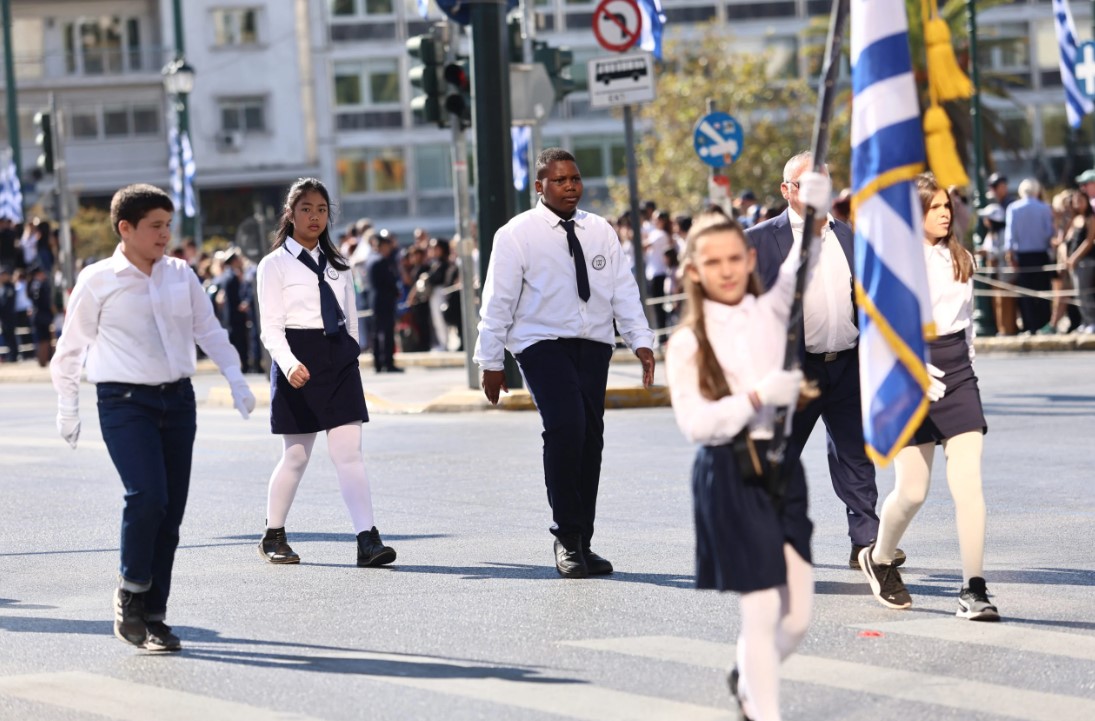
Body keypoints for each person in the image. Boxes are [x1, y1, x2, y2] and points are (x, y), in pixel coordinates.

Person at [49, 183, 256, 652]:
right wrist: (68, 408)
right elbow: (70, 351)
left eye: (168, 225)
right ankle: (130, 593)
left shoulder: (181, 275)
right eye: (156, 226)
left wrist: (236, 379)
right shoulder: (98, 280)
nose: (166, 235)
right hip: (124, 403)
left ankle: (155, 616)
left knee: (171, 514)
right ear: (126, 228)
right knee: (147, 497)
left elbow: (209, 330)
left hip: (178, 403)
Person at [667, 175, 829, 721]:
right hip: (730, 471)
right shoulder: (688, 341)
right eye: (714, 262)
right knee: (760, 610)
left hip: (783, 469)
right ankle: (765, 709)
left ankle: (747, 679)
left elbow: (802, 261)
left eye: (737, 257)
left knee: (798, 617)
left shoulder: (770, 310)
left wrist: (816, 205)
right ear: (693, 271)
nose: (729, 269)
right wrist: (757, 395)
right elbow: (695, 423)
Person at [475, 148, 655, 578]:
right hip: (540, 343)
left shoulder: (600, 231)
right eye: (560, 180)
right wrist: (490, 359)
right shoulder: (516, 234)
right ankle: (566, 537)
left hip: (593, 343)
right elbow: (497, 301)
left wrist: (641, 340)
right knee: (566, 427)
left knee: (590, 439)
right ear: (540, 186)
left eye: (575, 178)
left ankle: (584, 541)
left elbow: (623, 290)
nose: (571, 186)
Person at [747, 151, 901, 570]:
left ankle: (865, 542)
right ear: (787, 191)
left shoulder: (849, 236)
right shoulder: (760, 240)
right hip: (794, 371)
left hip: (847, 365)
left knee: (855, 455)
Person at [858, 173, 998, 621]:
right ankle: (879, 558)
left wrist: (968, 364)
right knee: (913, 492)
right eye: (934, 205)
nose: (944, 211)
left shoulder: (963, 258)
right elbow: (876, 331)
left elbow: (968, 323)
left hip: (957, 374)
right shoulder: (894, 264)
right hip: (909, 371)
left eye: (947, 205)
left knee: (969, 487)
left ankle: (973, 588)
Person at [255, 177, 396, 568]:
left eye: (321, 210)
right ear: (290, 213)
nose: (314, 217)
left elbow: (351, 322)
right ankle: (274, 535)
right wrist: (289, 363)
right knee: (296, 456)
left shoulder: (340, 264)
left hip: (339, 360)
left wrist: (349, 353)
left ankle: (367, 540)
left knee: (349, 453)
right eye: (306, 209)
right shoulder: (273, 265)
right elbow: (270, 327)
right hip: (296, 358)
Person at [1003, 179, 1055, 334]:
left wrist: (1009, 254)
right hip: (1041, 255)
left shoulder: (1014, 208)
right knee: (1043, 291)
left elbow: (1010, 235)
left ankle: (1030, 325)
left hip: (1023, 256)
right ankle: (1044, 323)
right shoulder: (1045, 208)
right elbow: (1049, 233)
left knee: (1026, 293)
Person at [975, 203, 1018, 336]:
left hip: (1004, 274)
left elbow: (1004, 251)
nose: (985, 221)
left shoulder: (1004, 233)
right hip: (995, 274)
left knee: (1007, 303)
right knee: (997, 303)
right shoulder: (990, 234)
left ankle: (1009, 330)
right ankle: (1002, 329)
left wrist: (988, 252)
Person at [367, 230, 403, 373]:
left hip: (376, 301)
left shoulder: (371, 259)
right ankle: (388, 362)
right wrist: (396, 291)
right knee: (386, 333)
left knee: (377, 333)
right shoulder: (381, 261)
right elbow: (389, 281)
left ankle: (378, 363)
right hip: (384, 301)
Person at [1065, 189, 1095, 333]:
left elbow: (1089, 241)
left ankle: (1092, 321)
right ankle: (1085, 321)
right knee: (1078, 294)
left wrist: (1075, 257)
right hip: (1074, 263)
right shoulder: (1075, 219)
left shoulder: (1090, 218)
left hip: (1085, 261)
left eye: (1080, 200)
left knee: (1086, 293)